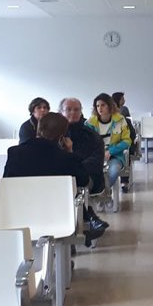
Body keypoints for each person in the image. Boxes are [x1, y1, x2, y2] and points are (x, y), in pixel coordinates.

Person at [4, 112, 105, 246]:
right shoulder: (66, 158)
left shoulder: (14, 153)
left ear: (38, 129)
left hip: (19, 214)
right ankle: (88, 217)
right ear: (62, 137)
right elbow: (83, 181)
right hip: (57, 215)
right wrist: (70, 152)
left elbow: (7, 182)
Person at [60, 97, 110, 238]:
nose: (72, 113)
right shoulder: (55, 134)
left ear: (81, 112)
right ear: (61, 112)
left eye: (76, 110)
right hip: (61, 178)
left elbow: (95, 162)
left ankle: (84, 221)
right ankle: (90, 217)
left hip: (87, 177)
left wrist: (74, 170)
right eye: (68, 109)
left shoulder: (91, 135)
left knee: (73, 184)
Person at [87, 93, 131, 189]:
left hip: (115, 156)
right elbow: (86, 142)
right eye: (97, 106)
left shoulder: (120, 120)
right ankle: (96, 192)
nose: (100, 108)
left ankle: (103, 191)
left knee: (113, 171)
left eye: (103, 105)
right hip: (95, 156)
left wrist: (110, 151)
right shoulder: (90, 123)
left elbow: (127, 141)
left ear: (110, 106)